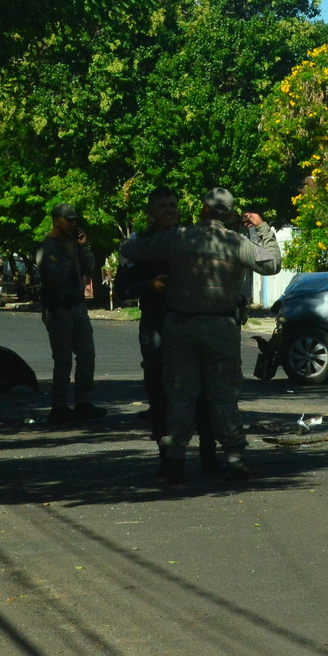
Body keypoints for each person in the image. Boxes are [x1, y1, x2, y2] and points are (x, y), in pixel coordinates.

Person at [122, 188, 280, 484]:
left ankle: (175, 460)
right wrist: (262, 227)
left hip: (180, 326)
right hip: (221, 327)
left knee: (180, 396)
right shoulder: (236, 242)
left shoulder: (181, 237)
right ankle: (235, 458)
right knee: (223, 397)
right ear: (229, 215)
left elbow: (132, 250)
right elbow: (272, 264)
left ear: (203, 209)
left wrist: (149, 231)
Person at [115, 188, 216, 470]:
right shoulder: (138, 245)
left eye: (173, 205)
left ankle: (209, 454)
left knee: (203, 391)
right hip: (157, 325)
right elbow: (122, 289)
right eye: (162, 206)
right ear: (150, 212)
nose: (169, 210)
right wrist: (149, 286)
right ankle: (168, 458)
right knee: (160, 391)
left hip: (193, 322)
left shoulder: (192, 238)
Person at [35, 202, 102, 424]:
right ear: (56, 220)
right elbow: (52, 277)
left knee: (87, 354)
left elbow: (90, 269)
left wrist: (83, 247)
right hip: (59, 308)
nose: (73, 224)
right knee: (63, 359)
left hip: (77, 306)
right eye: (69, 220)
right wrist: (67, 255)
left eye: (75, 220)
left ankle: (83, 401)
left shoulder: (73, 244)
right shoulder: (48, 246)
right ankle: (59, 405)